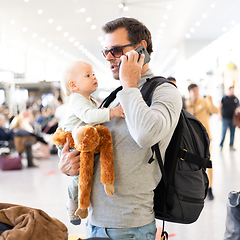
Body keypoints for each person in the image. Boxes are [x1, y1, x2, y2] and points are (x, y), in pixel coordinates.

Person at [58, 17, 182, 239]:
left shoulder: (163, 92)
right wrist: (68, 163)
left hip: (129, 226)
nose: (108, 59)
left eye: (115, 50)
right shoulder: (115, 97)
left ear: (140, 50)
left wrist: (129, 84)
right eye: (105, 51)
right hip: (96, 223)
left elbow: (146, 135)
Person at [56, 59, 124, 226]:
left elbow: (92, 115)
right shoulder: (77, 99)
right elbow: (88, 116)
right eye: (88, 75)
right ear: (73, 85)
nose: (94, 77)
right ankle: (72, 203)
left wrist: (99, 111)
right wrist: (112, 112)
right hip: (71, 143)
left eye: (93, 74)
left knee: (88, 171)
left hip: (82, 141)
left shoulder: (89, 99)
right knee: (80, 175)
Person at [185, 83, 218, 200]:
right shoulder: (186, 105)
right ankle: (196, 188)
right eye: (193, 91)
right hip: (191, 140)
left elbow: (215, 111)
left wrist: (210, 101)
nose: (196, 93)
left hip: (205, 138)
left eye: (197, 90)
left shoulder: (204, 102)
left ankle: (210, 188)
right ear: (189, 92)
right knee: (192, 163)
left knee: (207, 162)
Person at [219, 86, 240, 151]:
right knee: (224, 131)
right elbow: (220, 106)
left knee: (232, 132)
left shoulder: (235, 98)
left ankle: (231, 145)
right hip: (225, 118)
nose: (232, 91)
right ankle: (221, 145)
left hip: (233, 118)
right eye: (231, 90)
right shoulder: (224, 98)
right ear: (229, 90)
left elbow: (238, 106)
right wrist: (220, 115)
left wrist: (237, 111)